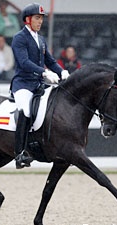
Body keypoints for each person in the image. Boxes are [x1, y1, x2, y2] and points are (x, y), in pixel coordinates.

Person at [11, 3, 70, 169]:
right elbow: (23, 62)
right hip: (23, 84)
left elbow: (50, 61)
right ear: (28, 20)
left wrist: (61, 71)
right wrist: (44, 72)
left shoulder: (40, 39)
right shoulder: (19, 38)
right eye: (37, 18)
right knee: (26, 111)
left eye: (41, 18)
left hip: (38, 84)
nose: (40, 21)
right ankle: (19, 153)